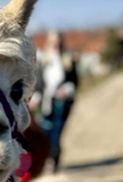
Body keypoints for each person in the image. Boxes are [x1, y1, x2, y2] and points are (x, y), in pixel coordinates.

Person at [31, 31, 78, 172]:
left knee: (56, 133)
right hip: (47, 104)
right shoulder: (44, 61)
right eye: (52, 42)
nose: (55, 44)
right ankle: (48, 159)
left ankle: (55, 163)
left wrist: (67, 90)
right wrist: (35, 99)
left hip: (62, 104)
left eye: (57, 41)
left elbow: (74, 81)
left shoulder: (67, 59)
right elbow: (39, 84)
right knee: (46, 132)